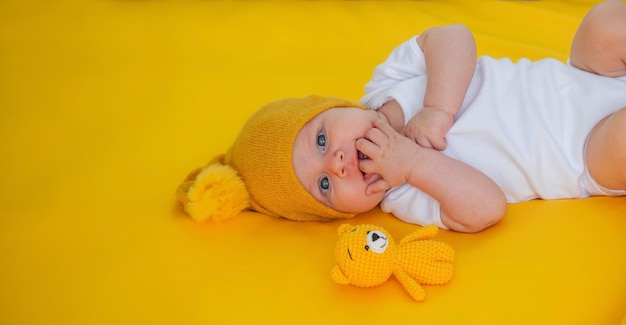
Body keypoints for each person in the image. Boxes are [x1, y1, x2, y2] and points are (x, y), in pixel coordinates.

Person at [177, 0, 626, 233]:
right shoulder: (404, 196)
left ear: (334, 106)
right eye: (326, 186)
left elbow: (454, 36)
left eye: (319, 140)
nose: (337, 163)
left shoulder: (386, 84)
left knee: (605, 24)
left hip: (583, 76)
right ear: (341, 215)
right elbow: (486, 208)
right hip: (584, 149)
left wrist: (437, 108)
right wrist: (413, 163)